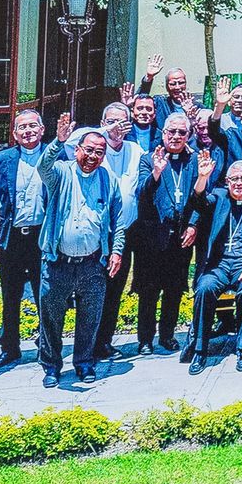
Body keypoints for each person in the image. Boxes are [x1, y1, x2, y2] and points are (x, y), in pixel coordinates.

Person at [34, 118, 126, 385]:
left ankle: (84, 363)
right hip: (58, 262)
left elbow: (117, 221)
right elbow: (43, 167)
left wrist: (116, 251)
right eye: (88, 150)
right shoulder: (61, 173)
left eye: (99, 152)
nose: (92, 156)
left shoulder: (108, 179)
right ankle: (51, 366)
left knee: (90, 316)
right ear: (77, 150)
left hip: (92, 263)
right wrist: (57, 141)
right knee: (51, 317)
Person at [185, 155, 242, 376]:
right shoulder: (218, 196)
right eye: (235, 179)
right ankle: (200, 350)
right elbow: (198, 201)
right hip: (219, 264)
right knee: (204, 289)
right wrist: (203, 177)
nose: (239, 183)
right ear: (227, 181)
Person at [133, 112, 197, 355]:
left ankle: (167, 335)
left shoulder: (192, 162)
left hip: (181, 236)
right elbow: (142, 192)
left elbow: (198, 198)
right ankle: (145, 339)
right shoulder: (149, 159)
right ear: (163, 133)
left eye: (182, 132)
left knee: (174, 289)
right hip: (153, 237)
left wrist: (194, 225)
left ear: (188, 136)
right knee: (149, 290)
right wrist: (157, 172)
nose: (176, 136)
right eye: (172, 131)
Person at [0, 108, 46, 371]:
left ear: (43, 130)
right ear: (14, 133)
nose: (28, 131)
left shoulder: (53, 156)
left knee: (44, 295)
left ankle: (46, 344)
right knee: (10, 297)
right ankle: (9, 348)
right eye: (22, 127)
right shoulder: (2, 159)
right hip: (13, 238)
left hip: (41, 238)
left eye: (33, 126)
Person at [93, 101, 144, 360]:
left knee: (114, 290)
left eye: (122, 122)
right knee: (93, 290)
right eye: (111, 121)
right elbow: (72, 141)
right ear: (102, 123)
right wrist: (106, 131)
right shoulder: (94, 147)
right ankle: (87, 344)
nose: (117, 127)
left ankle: (104, 342)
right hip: (98, 233)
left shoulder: (134, 149)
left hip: (125, 231)